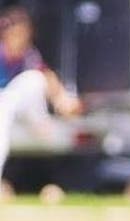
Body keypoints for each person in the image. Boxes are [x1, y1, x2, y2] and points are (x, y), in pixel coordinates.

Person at [0, 5, 81, 189]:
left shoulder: (28, 55)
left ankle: (38, 120)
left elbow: (45, 76)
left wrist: (62, 98)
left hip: (18, 107)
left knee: (34, 80)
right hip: (4, 108)